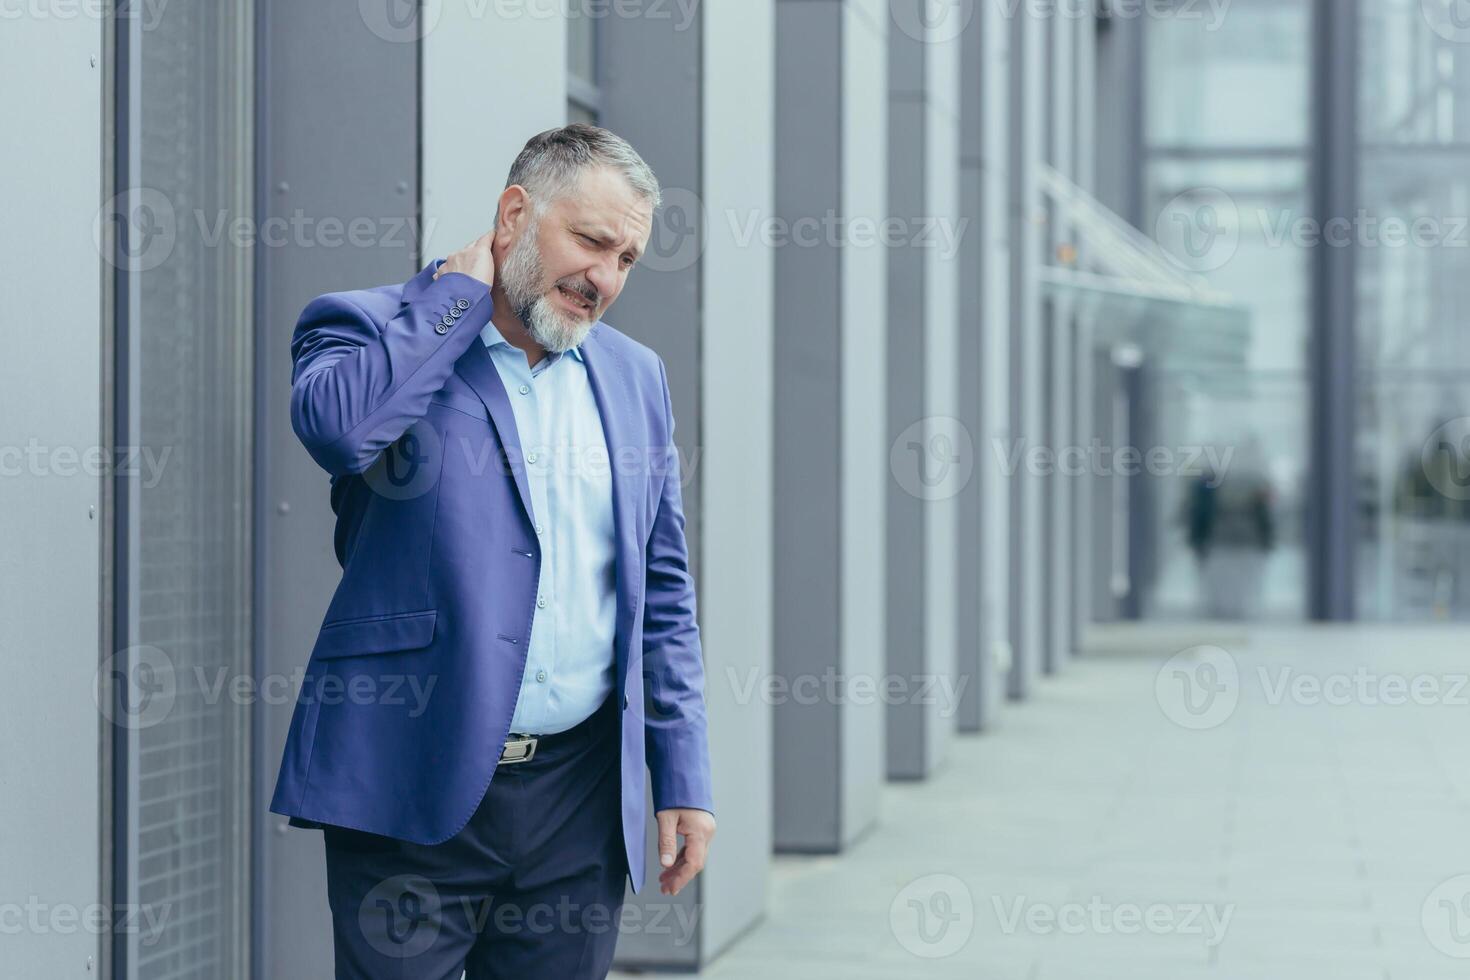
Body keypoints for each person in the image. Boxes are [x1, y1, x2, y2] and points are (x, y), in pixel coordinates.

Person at [268, 124, 716, 979]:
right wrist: (452, 304)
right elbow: (340, 432)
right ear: (515, 214)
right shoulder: (371, 327)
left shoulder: (634, 377)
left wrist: (683, 773)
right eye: (590, 241)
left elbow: (662, 591)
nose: (606, 279)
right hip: (410, 786)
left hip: (578, 807)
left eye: (627, 258)